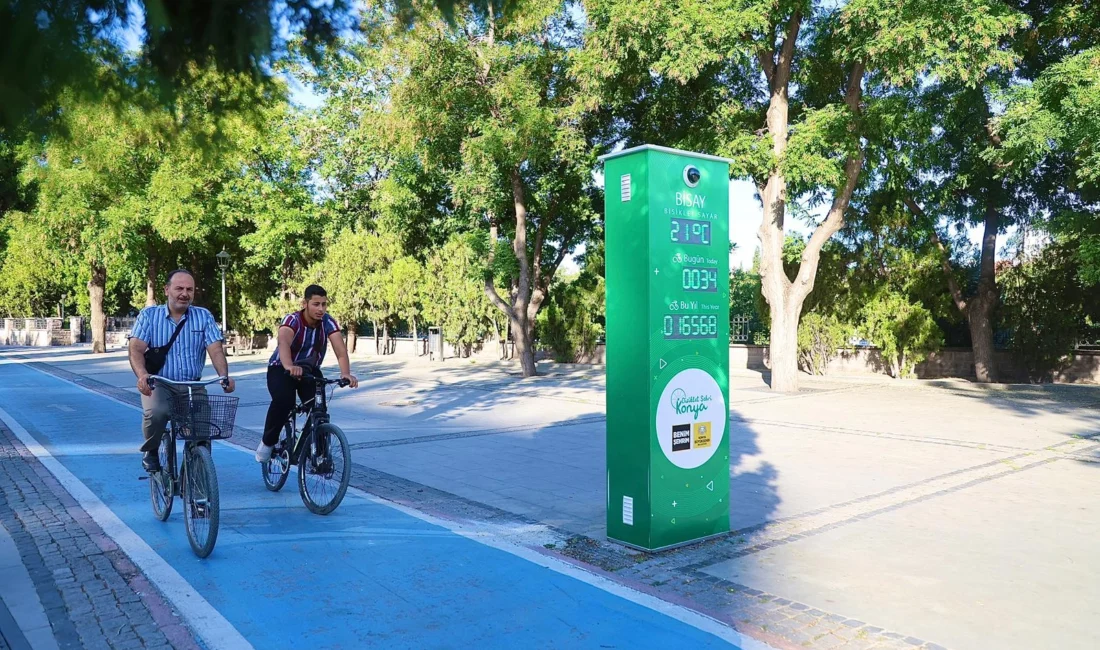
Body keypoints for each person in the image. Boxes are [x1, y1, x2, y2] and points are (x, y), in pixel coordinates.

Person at [128, 269, 236, 471]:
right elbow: (135, 348)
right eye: (179, 288)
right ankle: (151, 450)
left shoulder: (203, 316)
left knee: (203, 430)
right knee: (157, 412)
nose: (184, 294)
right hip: (159, 383)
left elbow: (216, 350)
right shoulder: (149, 315)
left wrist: (224, 376)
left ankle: (196, 476)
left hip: (192, 385)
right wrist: (143, 375)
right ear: (167, 290)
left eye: (189, 289)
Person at [256, 284, 358, 462]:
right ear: (305, 303)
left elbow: (341, 351)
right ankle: (268, 442)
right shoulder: (292, 320)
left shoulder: (328, 322)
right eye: (316, 304)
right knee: (284, 401)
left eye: (324, 304)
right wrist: (289, 366)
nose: (321, 309)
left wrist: (346, 373)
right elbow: (284, 343)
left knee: (319, 409)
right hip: (281, 367)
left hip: (309, 370)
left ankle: (319, 455)